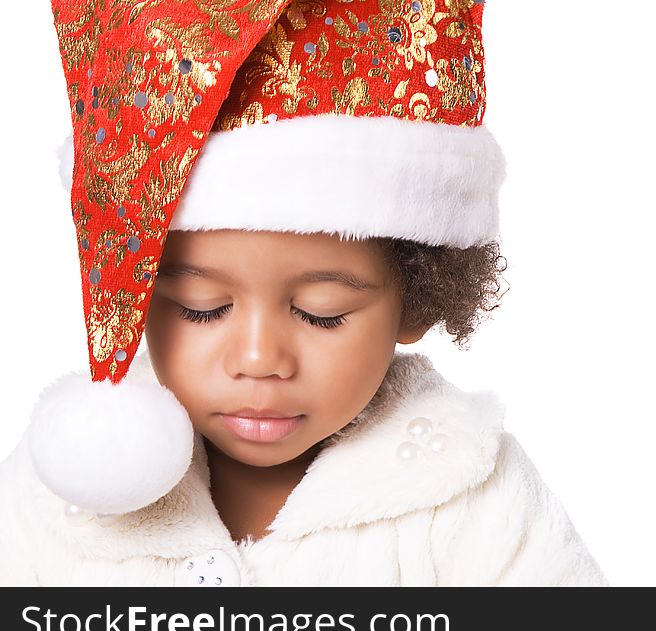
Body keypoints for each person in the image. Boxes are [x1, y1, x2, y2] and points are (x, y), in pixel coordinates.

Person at [0, 0, 608, 586]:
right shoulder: (56, 486)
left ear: (418, 300)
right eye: (201, 308)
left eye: (321, 315)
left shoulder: (473, 493)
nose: (260, 359)